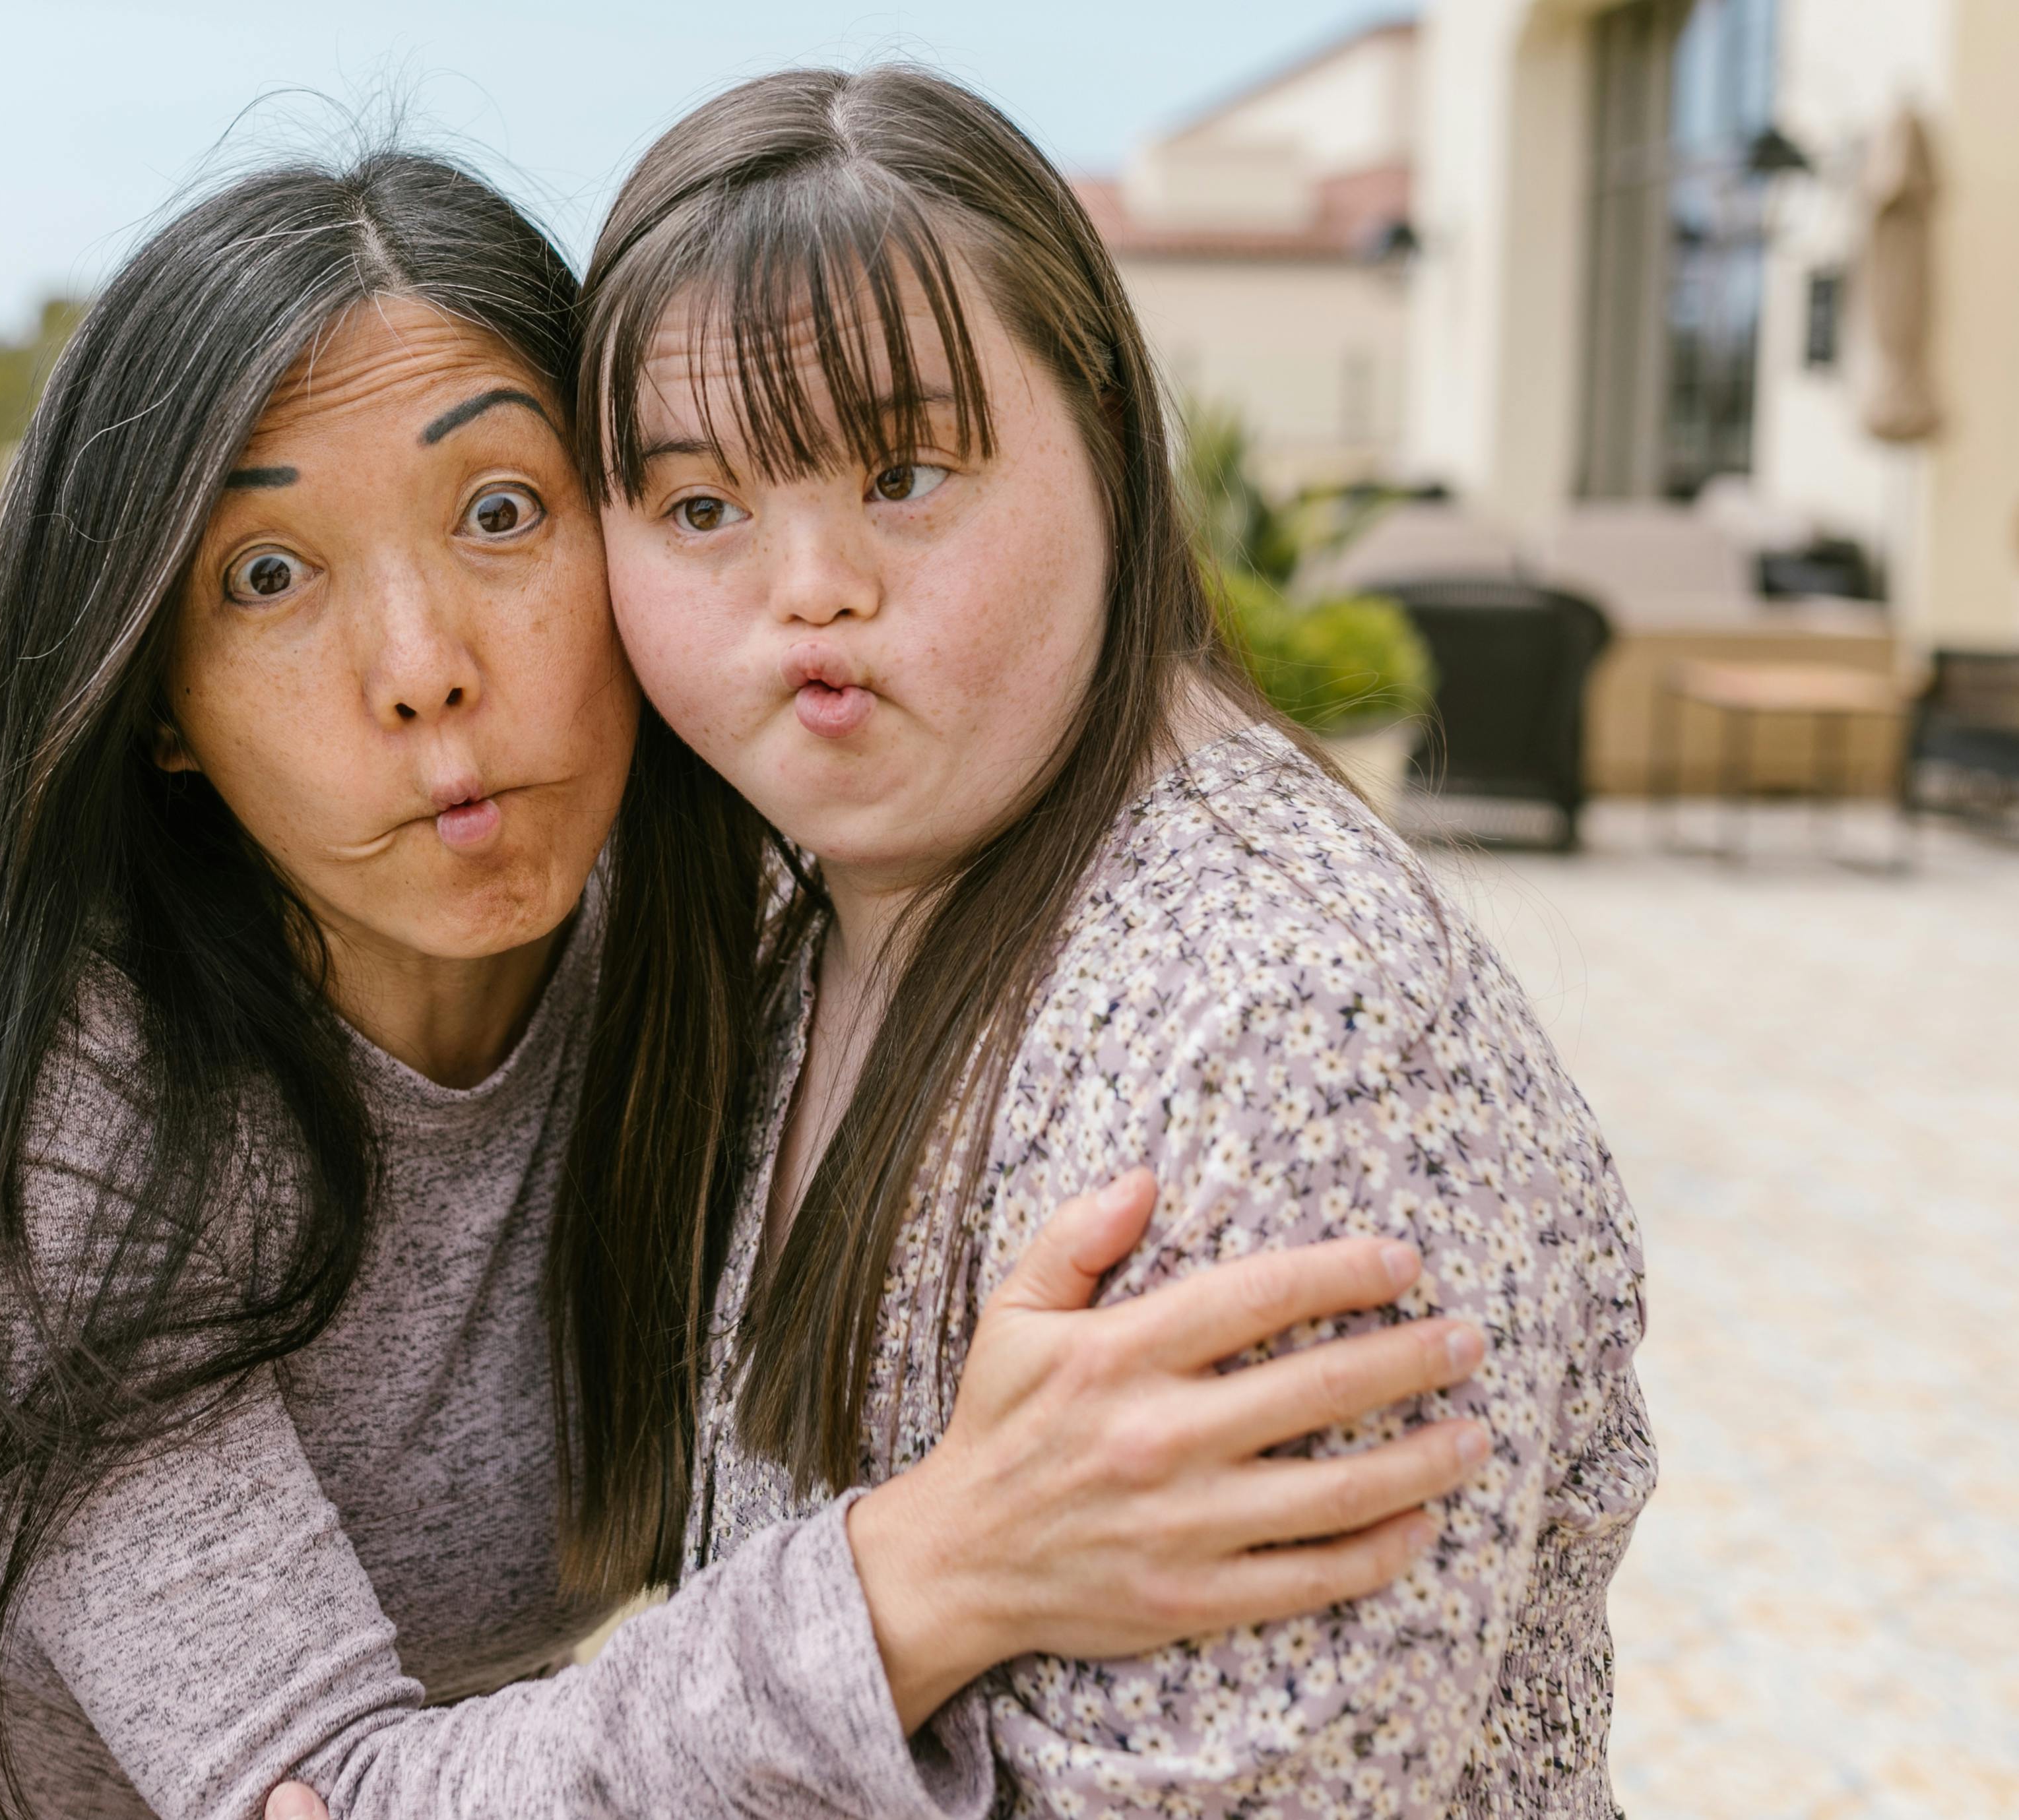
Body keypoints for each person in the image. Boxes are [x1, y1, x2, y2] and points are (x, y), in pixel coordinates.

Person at [0, 146, 1488, 1820]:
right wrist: (931, 1568)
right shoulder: (74, 1074)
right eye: (267, 576)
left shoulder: (709, 934)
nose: (421, 671)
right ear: (157, 698)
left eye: (499, 512)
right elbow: (349, 1798)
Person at [559, 65, 1657, 1817]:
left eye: (904, 471)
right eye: (700, 511)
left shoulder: (1282, 1032)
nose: (806, 586)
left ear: (1110, 440)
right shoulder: (804, 916)